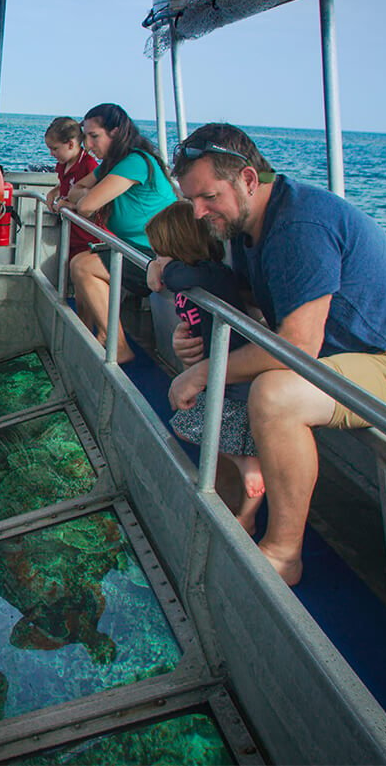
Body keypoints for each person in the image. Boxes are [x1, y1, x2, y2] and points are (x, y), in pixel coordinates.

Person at [167, 123, 386, 586]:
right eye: (192, 201)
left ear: (246, 179)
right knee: (226, 375)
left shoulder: (300, 223)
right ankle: (230, 514)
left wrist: (204, 370)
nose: (199, 213)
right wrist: (194, 338)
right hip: (345, 357)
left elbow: (300, 347)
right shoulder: (249, 229)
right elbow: (248, 307)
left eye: (208, 198)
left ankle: (284, 553)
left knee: (275, 393)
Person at [144, 200, 265, 532]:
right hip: (215, 374)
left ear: (179, 247)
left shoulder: (210, 275)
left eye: (160, 250)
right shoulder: (193, 275)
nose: (157, 257)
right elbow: (163, 283)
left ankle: (249, 484)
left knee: (235, 442)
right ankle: (245, 509)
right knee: (200, 429)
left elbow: (171, 277)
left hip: (237, 376)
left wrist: (160, 266)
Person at [62, 103, 176, 363]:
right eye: (86, 137)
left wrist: (84, 199)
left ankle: (117, 344)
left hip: (156, 254)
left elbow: (87, 205)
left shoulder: (135, 161)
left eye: (94, 136)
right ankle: (88, 334)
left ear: (115, 132)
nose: (88, 145)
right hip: (132, 249)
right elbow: (75, 191)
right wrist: (82, 198)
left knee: (82, 266)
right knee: (81, 266)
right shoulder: (113, 164)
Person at [44, 116, 101, 261]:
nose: (52, 154)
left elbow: (97, 204)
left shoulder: (89, 166)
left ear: (70, 144)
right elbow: (67, 182)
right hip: (71, 234)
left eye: (55, 149)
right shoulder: (63, 163)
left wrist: (70, 206)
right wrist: (54, 191)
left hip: (89, 238)